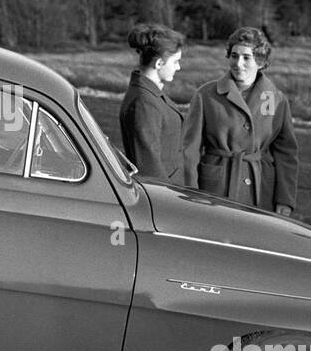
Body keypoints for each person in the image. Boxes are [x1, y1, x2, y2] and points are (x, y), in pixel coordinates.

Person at [181, 26, 298, 214]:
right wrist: (191, 194)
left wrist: (285, 199)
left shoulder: (276, 99)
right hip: (215, 189)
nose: (238, 63)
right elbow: (190, 151)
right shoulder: (206, 95)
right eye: (234, 56)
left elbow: (286, 154)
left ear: (260, 61)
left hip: (261, 191)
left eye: (246, 57)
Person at [119, 23, 187, 183]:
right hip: (164, 196)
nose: (178, 67)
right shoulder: (144, 103)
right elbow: (149, 166)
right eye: (175, 61)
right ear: (159, 64)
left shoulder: (150, 94)